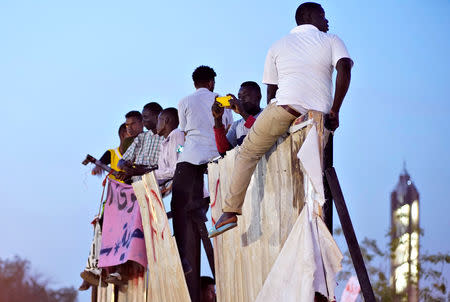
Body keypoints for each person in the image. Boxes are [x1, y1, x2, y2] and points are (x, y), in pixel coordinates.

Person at [209, 2, 353, 237]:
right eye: (322, 16)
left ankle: (230, 213)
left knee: (247, 152)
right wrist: (335, 110)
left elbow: (271, 93)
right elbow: (345, 67)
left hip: (285, 108)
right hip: (318, 114)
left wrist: (274, 122)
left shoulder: (278, 45)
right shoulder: (332, 40)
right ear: (308, 17)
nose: (327, 22)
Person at [171, 65, 232, 301]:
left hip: (192, 156)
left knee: (180, 202)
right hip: (218, 155)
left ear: (194, 82)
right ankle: (207, 213)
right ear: (211, 82)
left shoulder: (184, 101)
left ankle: (183, 255)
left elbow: (184, 132)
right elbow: (225, 127)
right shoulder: (222, 99)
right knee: (214, 195)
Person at [212, 81, 262, 155]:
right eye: (239, 97)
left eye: (246, 95)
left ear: (258, 97)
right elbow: (224, 152)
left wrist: (242, 112)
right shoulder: (237, 125)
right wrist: (218, 119)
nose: (241, 100)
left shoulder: (267, 113)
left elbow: (262, 132)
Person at [118, 104, 164, 181]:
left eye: (145, 117)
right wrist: (125, 166)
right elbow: (121, 161)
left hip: (159, 185)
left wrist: (144, 170)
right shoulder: (141, 137)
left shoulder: (172, 136)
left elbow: (177, 157)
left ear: (157, 117)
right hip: (138, 186)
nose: (142, 121)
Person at [154, 107, 185, 193]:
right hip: (177, 193)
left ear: (166, 120)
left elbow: (177, 169)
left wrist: (153, 174)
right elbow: (163, 173)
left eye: (158, 120)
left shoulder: (177, 134)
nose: (156, 124)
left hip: (189, 194)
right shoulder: (164, 143)